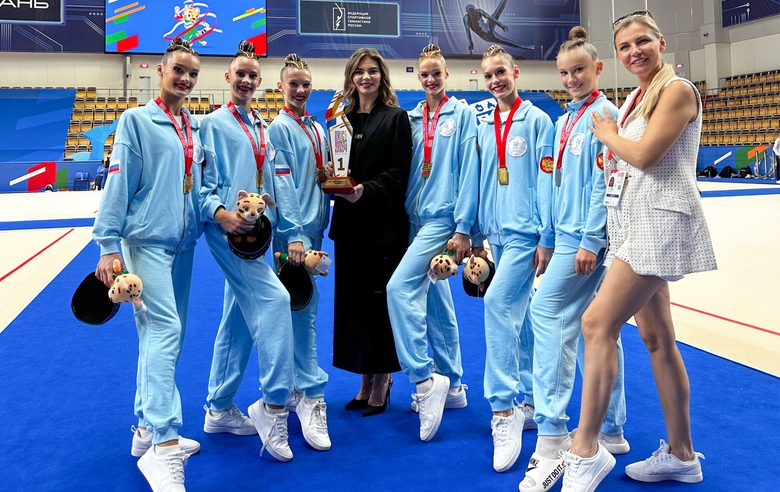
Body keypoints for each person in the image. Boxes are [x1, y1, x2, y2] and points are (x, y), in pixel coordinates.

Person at [560, 12, 716, 492]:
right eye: (625, 46)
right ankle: (682, 455)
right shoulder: (637, 95)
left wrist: (608, 136)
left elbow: (647, 155)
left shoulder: (678, 90)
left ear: (661, 41)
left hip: (658, 227)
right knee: (657, 339)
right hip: (633, 224)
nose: (634, 52)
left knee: (595, 323)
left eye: (642, 41)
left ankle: (585, 450)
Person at [519, 31, 629, 492]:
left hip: (585, 239)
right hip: (563, 235)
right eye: (564, 73)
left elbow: (604, 184)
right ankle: (612, 428)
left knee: (546, 313)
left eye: (579, 70)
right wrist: (546, 236)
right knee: (596, 326)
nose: (570, 79)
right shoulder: (565, 119)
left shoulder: (603, 114)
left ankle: (554, 432)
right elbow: (555, 183)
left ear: (598, 69)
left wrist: (590, 239)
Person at [92, 37, 203, 492]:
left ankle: (142, 427)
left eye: (193, 74)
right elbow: (118, 184)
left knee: (158, 336)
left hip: (182, 246)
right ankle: (163, 443)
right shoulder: (136, 121)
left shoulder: (191, 125)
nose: (185, 78)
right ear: (160, 70)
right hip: (146, 244)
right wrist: (107, 243)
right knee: (165, 331)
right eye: (178, 69)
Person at [198, 40, 300, 462]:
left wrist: (287, 227)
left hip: (258, 233)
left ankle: (219, 407)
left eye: (252, 75)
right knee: (275, 299)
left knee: (238, 317)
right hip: (227, 232)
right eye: (239, 73)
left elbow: (274, 178)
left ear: (261, 82)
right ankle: (273, 405)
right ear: (227, 78)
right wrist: (218, 213)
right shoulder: (212, 125)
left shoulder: (261, 125)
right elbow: (200, 186)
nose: (245, 80)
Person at [386, 44, 478, 442]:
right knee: (437, 303)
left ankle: (424, 380)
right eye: (424, 74)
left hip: (442, 218)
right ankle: (454, 384)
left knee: (399, 289)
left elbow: (471, 171)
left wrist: (463, 226)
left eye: (436, 73)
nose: (430, 80)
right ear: (417, 77)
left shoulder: (463, 116)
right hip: (414, 217)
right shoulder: (410, 117)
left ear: (446, 74)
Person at [476, 44, 554, 473]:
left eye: (501, 72)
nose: (495, 81)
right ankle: (527, 399)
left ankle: (503, 410)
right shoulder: (486, 123)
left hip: (527, 233)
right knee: (517, 319)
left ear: (516, 72)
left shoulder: (537, 120)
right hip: (498, 233)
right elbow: (485, 178)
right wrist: (477, 231)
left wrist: (546, 234)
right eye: (488, 76)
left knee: (498, 304)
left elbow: (547, 180)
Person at [329, 47, 412, 417]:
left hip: (383, 226)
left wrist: (366, 190)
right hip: (349, 226)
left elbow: (399, 172)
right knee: (354, 306)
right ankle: (363, 379)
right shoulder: (340, 120)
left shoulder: (396, 118)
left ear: (382, 77)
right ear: (351, 77)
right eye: (360, 71)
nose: (366, 77)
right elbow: (335, 164)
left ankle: (382, 380)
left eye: (373, 71)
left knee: (379, 305)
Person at [267, 52, 332, 450]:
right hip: (294, 237)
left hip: (314, 229)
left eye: (306, 83)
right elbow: (283, 184)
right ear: (280, 87)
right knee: (305, 312)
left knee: (297, 312)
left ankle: (292, 385)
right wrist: (293, 235)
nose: (301, 90)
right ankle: (311, 395)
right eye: (294, 83)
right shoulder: (279, 128)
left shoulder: (317, 127)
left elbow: (321, 175)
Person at [463, 0, 534, 55]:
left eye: (473, 11)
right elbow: (467, 31)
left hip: (487, 26)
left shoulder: (478, 11)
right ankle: (525, 47)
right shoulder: (466, 18)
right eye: (471, 12)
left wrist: (501, 25)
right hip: (487, 36)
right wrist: (470, 43)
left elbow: (491, 18)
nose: (473, 13)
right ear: (468, 12)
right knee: (506, 41)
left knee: (497, 11)